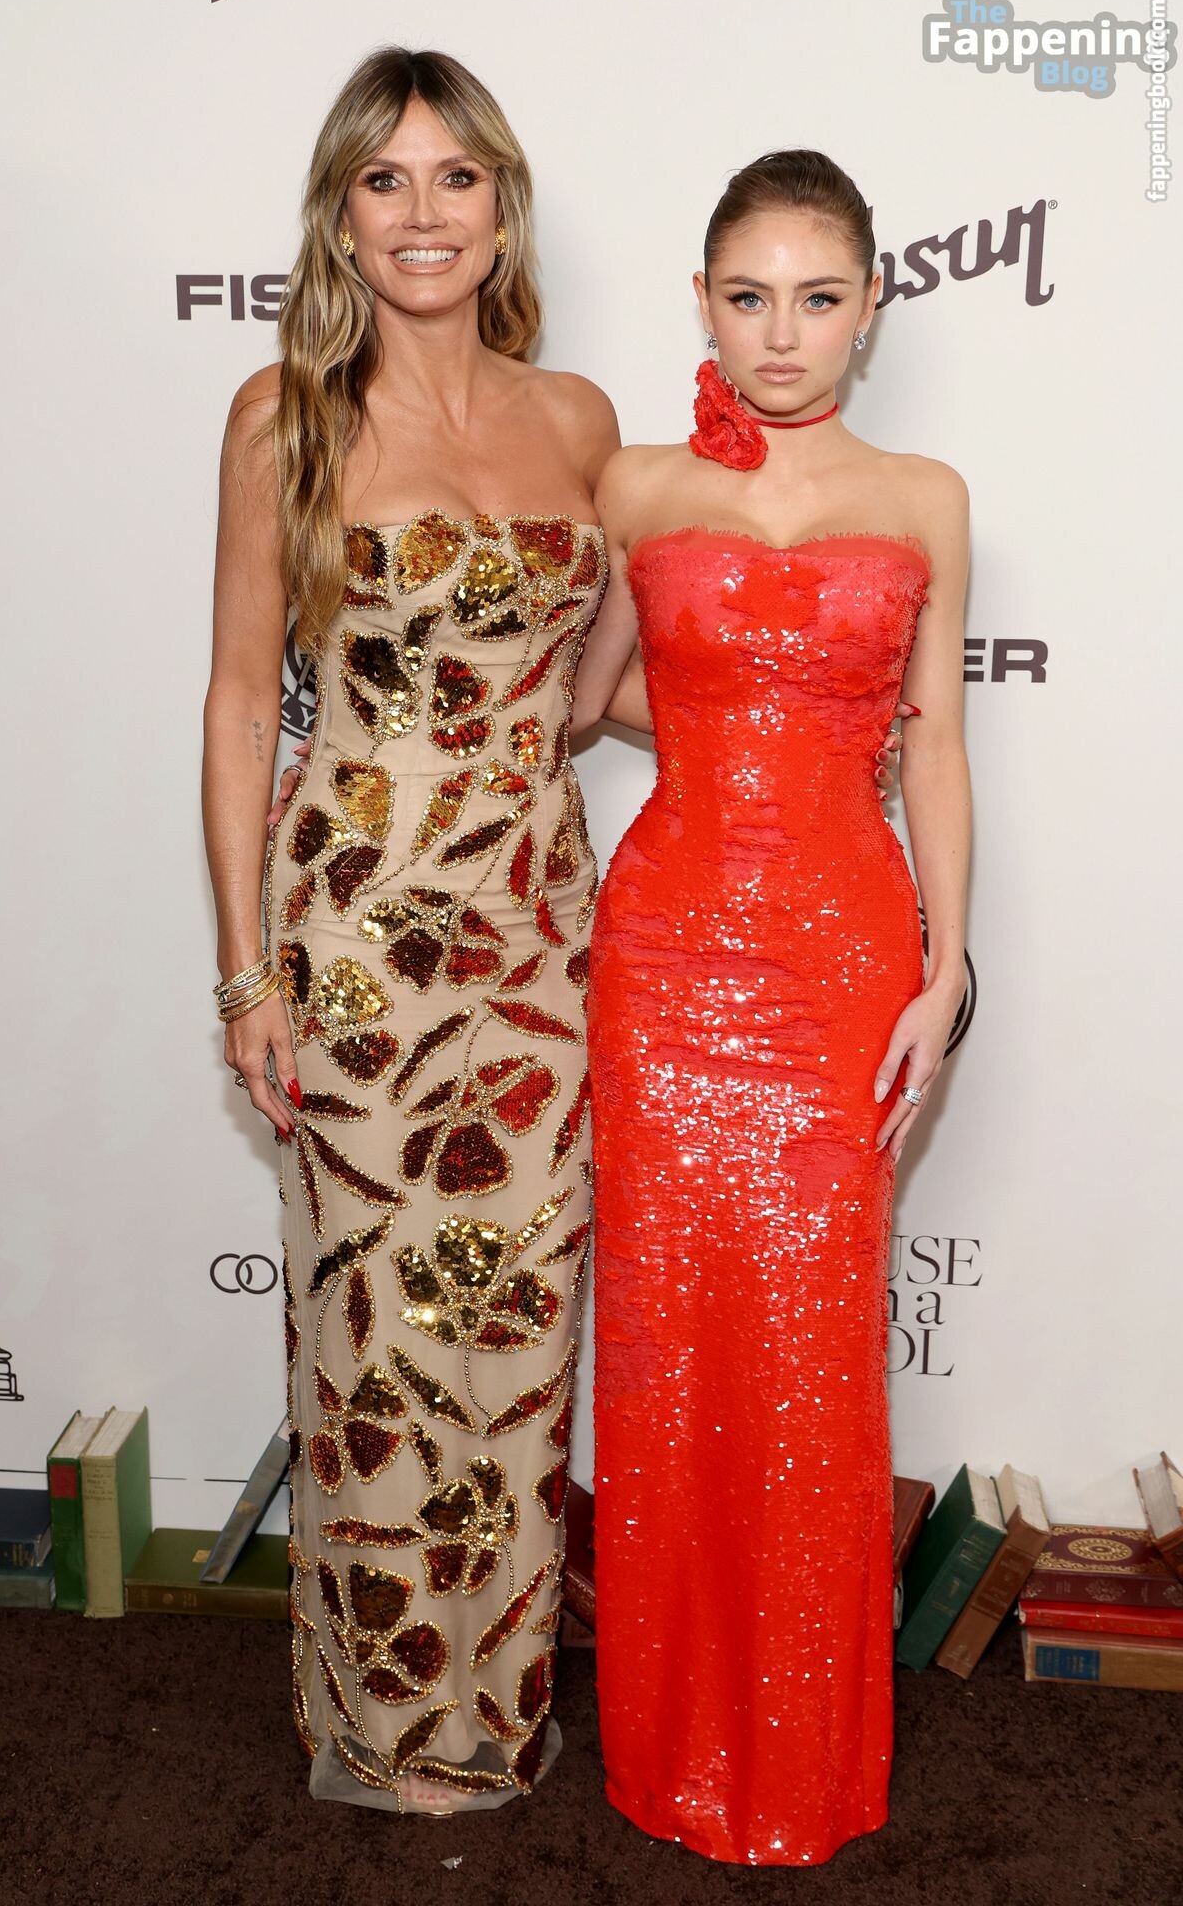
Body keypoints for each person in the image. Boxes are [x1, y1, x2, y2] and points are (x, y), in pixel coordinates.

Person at [202, 46, 619, 1814]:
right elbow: (242, 704)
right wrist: (249, 974)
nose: (425, 213)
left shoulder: (580, 419)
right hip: (360, 936)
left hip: (536, 934)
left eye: (457, 177)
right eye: (388, 179)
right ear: (343, 215)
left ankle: (498, 1712)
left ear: (502, 207)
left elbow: (591, 691)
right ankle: (386, 1734)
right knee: (376, 1329)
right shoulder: (282, 417)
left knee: (517, 1328)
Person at [572, 150, 970, 1865]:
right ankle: (672, 1750)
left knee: (811, 1356)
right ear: (704, 304)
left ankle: (800, 1759)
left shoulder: (930, 496)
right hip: (666, 959)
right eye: (749, 297)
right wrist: (731, 724)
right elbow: (588, 698)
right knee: (668, 1353)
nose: (782, 333)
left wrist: (947, 968)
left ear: (871, 307)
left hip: (844, 967)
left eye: (818, 298)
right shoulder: (638, 483)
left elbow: (936, 749)